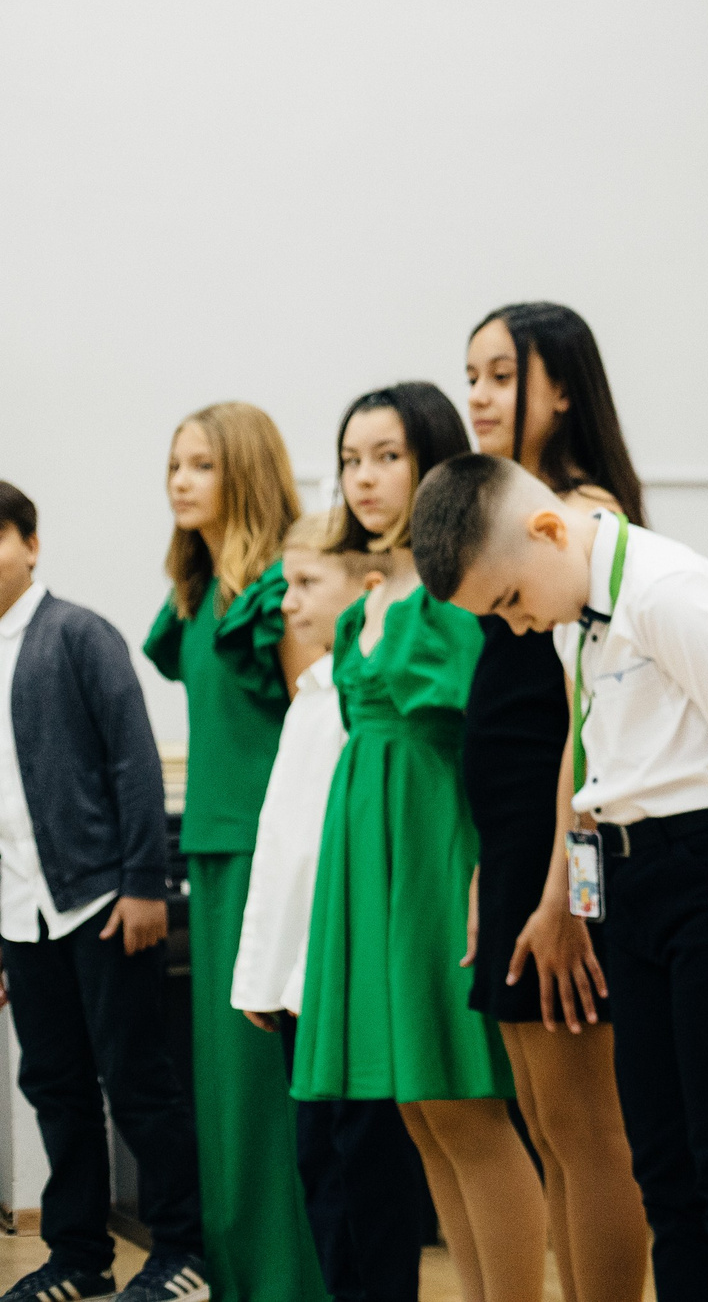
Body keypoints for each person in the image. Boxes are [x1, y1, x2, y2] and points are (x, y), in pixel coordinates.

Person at [416, 454, 708, 1302]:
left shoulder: (669, 592)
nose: (516, 624)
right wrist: (580, 901)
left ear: (549, 530)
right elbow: (594, 769)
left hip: (707, 876)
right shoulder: (570, 618)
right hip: (627, 887)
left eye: (511, 599)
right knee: (661, 1160)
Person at [293, 384, 546, 1302]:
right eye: (352, 458)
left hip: (436, 847)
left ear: (430, 455)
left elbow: (491, 732)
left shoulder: (457, 583)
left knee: (468, 1108)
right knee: (420, 1110)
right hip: (366, 856)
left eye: (387, 455)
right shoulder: (376, 582)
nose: (364, 477)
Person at [459, 302, 651, 1302]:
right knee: (547, 1127)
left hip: (569, 869)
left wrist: (562, 898)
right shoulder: (512, 521)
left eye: (502, 375)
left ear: (562, 388)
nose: (480, 396)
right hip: (520, 858)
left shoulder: (583, 517)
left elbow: (590, 731)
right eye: (473, 375)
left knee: (586, 1131)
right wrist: (497, 872)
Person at [0, 482, 206, 1302]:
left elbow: (133, 762)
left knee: (138, 1080)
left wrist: (145, 883)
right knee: (53, 1084)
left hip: (105, 903)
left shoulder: (78, 633)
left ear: (31, 542)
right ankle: (78, 1255)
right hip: (23, 912)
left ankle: (183, 1250)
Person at [142, 401, 327, 1302]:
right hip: (211, 852)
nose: (181, 479)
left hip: (271, 856)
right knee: (220, 1084)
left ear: (242, 472)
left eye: (202, 464)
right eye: (176, 464)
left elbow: (319, 717)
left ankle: (291, 1279)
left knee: (264, 1082)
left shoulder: (273, 598)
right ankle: (238, 1272)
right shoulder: (193, 597)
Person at [235, 512, 430, 1302]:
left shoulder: (362, 709)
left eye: (308, 582)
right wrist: (262, 975)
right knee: (320, 1168)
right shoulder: (309, 696)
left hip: (350, 979)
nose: (286, 602)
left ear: (369, 587)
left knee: (368, 1176)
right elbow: (283, 853)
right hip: (297, 984)